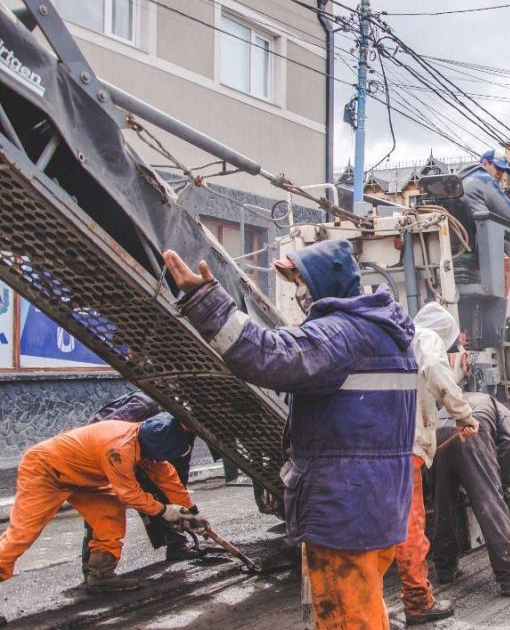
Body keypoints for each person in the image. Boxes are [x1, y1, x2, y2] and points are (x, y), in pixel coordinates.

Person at [163, 239, 417, 630]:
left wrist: (205, 301)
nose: (298, 292)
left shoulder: (339, 335)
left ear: (321, 283)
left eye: (300, 280)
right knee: (364, 611)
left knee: (345, 619)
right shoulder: (383, 332)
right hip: (375, 507)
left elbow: (269, 354)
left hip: (343, 512)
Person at [0, 415, 205, 596]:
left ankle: (100, 575)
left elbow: (167, 478)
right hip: (46, 470)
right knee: (22, 534)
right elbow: (130, 494)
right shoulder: (119, 448)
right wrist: (165, 511)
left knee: (109, 513)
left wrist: (192, 512)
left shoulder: (148, 439)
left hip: (84, 477)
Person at [394, 303, 479, 626]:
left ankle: (373, 603)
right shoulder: (426, 337)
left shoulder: (399, 340)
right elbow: (432, 367)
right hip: (406, 449)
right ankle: (418, 602)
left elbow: (425, 376)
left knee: (387, 527)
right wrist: (463, 414)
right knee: (410, 528)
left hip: (385, 445)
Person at [431, 393, 510, 597]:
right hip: (470, 429)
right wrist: (507, 483)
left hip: (439, 428)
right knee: (490, 505)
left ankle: (445, 568)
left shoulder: (473, 398)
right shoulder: (507, 415)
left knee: (443, 504)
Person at [86, 391, 199, 563]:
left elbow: (175, 475)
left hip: (136, 450)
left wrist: (191, 512)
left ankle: (177, 543)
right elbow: (107, 434)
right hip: (105, 451)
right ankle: (94, 569)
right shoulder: (145, 406)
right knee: (105, 505)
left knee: (165, 490)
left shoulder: (182, 426)